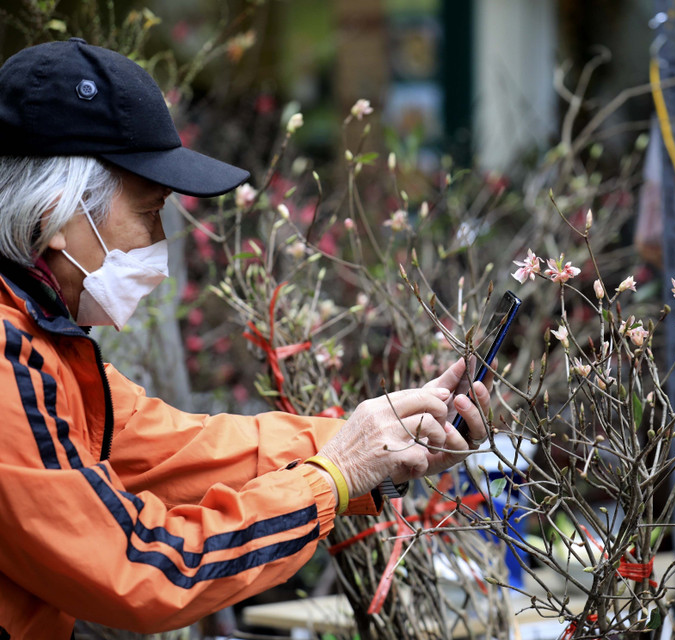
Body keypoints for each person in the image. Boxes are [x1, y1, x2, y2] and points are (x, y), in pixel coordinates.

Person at [0, 38, 492, 639]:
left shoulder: (41, 340)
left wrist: (380, 443)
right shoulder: (9, 361)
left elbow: (184, 452)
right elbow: (140, 566)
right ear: (56, 216)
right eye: (150, 213)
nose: (159, 244)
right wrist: (332, 476)